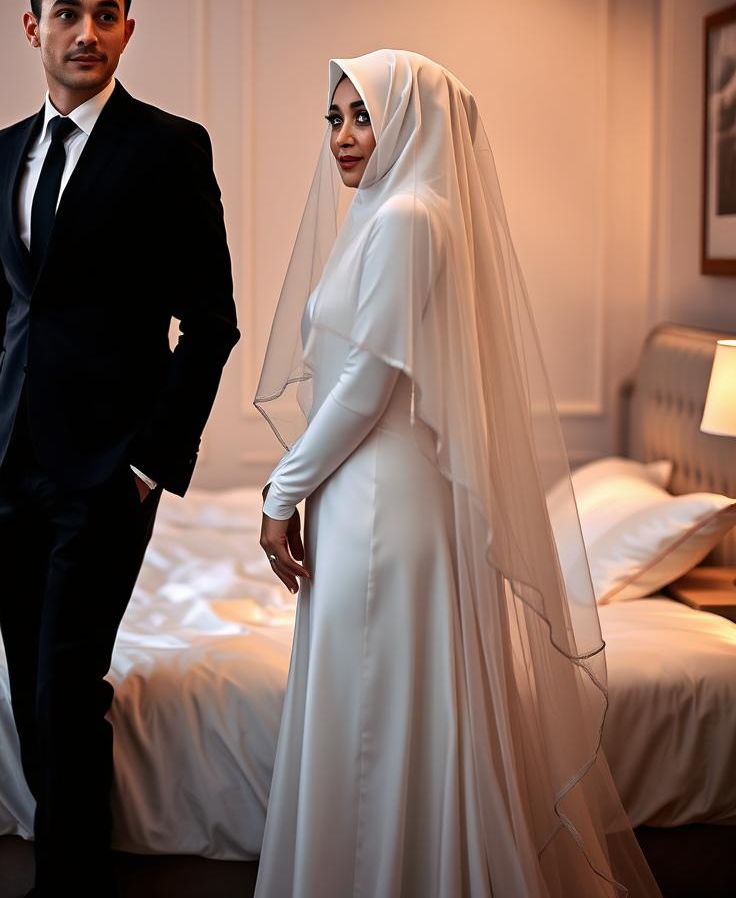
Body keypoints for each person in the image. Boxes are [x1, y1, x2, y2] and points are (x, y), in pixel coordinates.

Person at [253, 49, 662, 897]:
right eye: (334, 119)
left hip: (380, 511)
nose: (343, 137)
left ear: (410, 117)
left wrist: (280, 491)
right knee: (371, 710)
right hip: (368, 497)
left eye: (363, 115)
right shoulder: (393, 214)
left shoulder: (409, 217)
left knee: (371, 714)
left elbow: (367, 383)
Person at [0, 0, 240, 898]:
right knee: (26, 687)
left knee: (63, 687)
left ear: (129, 25)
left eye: (107, 13)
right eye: (69, 13)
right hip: (12, 468)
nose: (88, 32)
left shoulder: (170, 148)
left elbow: (210, 325)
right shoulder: (2, 152)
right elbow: (4, 312)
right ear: (32, 23)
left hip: (107, 472)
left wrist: (148, 465)